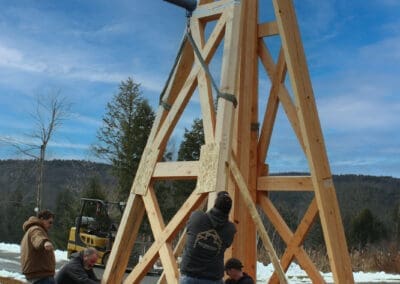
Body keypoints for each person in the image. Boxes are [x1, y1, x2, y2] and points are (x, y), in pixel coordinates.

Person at [180, 191, 237, 283]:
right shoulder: (230, 229)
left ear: (215, 204)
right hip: (213, 278)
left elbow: (189, 230)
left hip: (190, 276)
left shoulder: (196, 217)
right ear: (229, 210)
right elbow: (227, 244)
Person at [20, 209, 56, 284]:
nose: (51, 225)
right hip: (42, 278)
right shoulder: (35, 229)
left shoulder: (32, 229)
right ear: (42, 219)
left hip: (38, 277)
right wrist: (45, 242)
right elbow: (37, 237)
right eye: (50, 222)